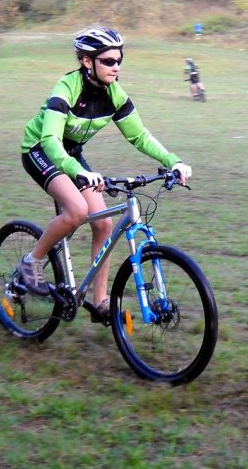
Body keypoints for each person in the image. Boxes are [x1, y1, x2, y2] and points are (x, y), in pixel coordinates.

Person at [16, 27, 192, 320]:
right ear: (88, 61)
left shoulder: (114, 94)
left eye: (119, 60)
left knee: (105, 225)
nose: (116, 66)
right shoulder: (66, 88)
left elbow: (140, 137)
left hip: (71, 155)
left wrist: (173, 160)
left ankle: (100, 302)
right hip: (41, 150)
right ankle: (30, 262)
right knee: (76, 211)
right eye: (108, 61)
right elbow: (50, 140)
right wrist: (79, 171)